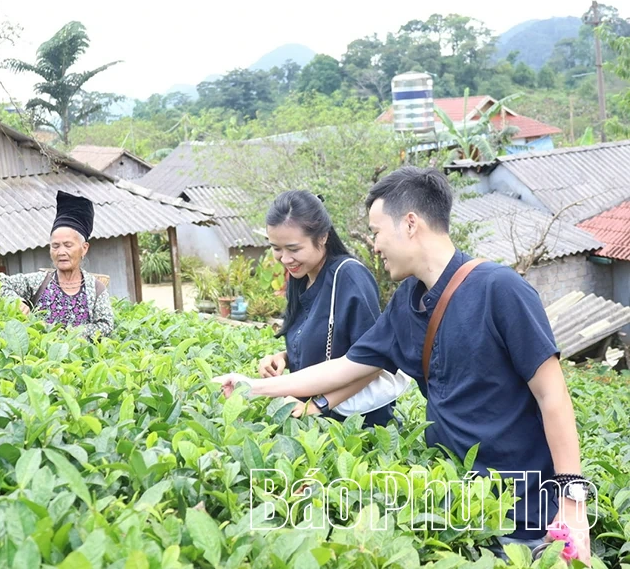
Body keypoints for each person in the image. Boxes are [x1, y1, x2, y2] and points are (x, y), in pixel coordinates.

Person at [213, 166, 593, 561]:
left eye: (377, 231)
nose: (374, 246)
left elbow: (554, 397)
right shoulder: (406, 303)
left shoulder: (501, 289)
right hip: (457, 511)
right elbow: (345, 367)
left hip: (527, 513)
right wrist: (251, 387)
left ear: (410, 224)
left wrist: (573, 504)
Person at [258, 190, 397, 427]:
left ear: (322, 237)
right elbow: (324, 348)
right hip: (311, 424)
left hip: (355, 431)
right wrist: (282, 358)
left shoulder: (349, 277)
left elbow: (374, 362)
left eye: (293, 249)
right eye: (277, 248)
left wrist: (318, 405)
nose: (285, 259)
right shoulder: (301, 278)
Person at [0, 191, 114, 339]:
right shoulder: (39, 282)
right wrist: (15, 301)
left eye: (68, 245)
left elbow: (105, 326)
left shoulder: (96, 289)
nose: (61, 252)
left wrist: (63, 334)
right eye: (55, 246)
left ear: (84, 248)